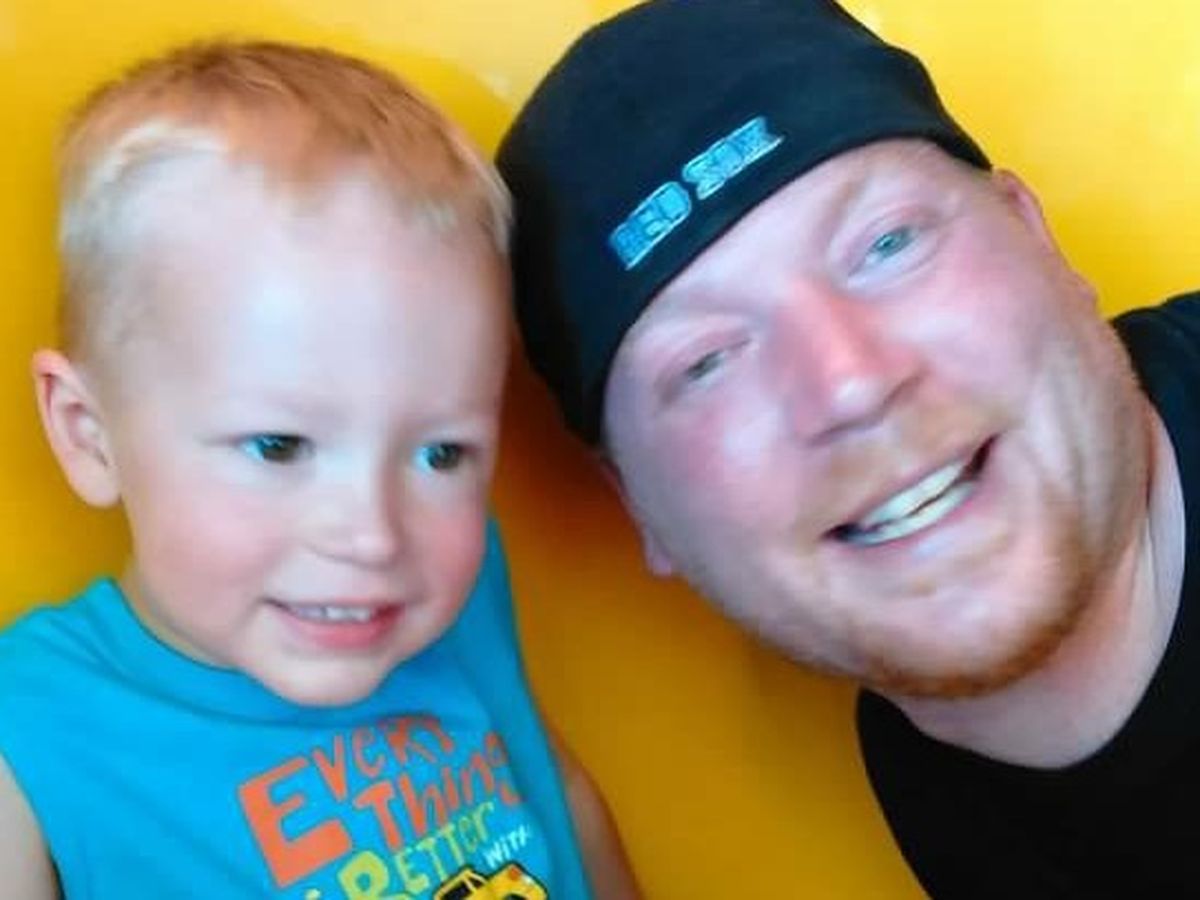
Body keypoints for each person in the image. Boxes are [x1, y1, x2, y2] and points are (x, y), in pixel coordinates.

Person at [496, 0, 1200, 895]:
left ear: (1034, 232)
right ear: (638, 504)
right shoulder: (929, 773)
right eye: (705, 362)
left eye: (888, 243)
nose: (849, 384)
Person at [1, 39, 637, 898]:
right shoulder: (29, 735)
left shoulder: (457, 591)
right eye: (279, 446)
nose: (373, 536)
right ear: (89, 435)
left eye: (441, 453)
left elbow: (557, 797)